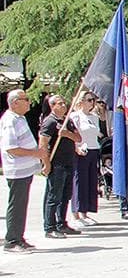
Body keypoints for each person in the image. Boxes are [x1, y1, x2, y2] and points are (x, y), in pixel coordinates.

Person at [2, 90, 46, 252]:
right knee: (17, 204)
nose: (29, 102)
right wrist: (35, 153)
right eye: (25, 99)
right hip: (17, 171)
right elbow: (11, 148)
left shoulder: (19, 118)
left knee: (22, 204)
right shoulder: (10, 120)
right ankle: (12, 240)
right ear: (14, 103)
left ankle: (19, 237)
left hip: (24, 170)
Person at [38, 95, 81, 239]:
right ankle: (49, 227)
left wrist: (66, 134)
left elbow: (78, 138)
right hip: (57, 163)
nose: (63, 106)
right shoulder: (49, 122)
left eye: (64, 103)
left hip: (69, 161)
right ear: (52, 106)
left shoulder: (67, 121)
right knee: (53, 196)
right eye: (60, 103)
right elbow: (43, 143)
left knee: (65, 195)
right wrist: (46, 163)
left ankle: (61, 222)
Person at [68, 93, 101, 226]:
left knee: (90, 181)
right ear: (81, 101)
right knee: (79, 181)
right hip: (81, 150)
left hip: (93, 149)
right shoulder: (75, 116)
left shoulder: (94, 117)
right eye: (89, 100)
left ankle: (85, 212)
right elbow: (74, 134)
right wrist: (76, 148)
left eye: (93, 100)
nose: (92, 103)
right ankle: (75, 214)